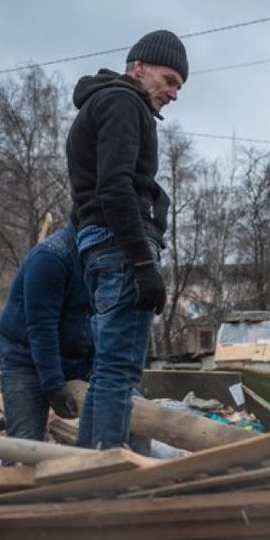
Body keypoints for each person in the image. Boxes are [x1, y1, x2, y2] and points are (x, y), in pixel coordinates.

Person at [66, 30, 187, 449]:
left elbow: (89, 196)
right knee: (119, 372)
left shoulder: (101, 103)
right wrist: (142, 264)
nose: (173, 93)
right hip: (121, 249)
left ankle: (87, 473)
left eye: (178, 86)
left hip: (102, 247)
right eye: (169, 80)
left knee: (107, 371)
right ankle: (109, 484)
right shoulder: (122, 102)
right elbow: (114, 187)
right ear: (139, 68)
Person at [0, 223, 93, 441]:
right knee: (24, 447)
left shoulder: (102, 257)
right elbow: (42, 328)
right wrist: (54, 386)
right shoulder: (51, 257)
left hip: (75, 359)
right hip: (25, 357)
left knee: (119, 430)